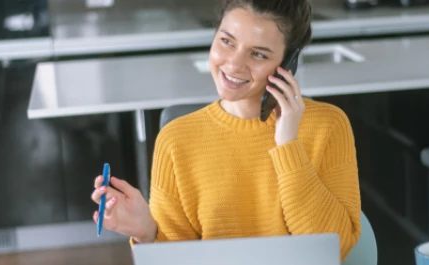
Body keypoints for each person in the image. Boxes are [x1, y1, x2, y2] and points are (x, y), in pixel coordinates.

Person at [90, 0, 362, 261]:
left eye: (258, 54)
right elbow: (175, 258)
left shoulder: (328, 126)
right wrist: (146, 232)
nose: (233, 64)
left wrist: (288, 146)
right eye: (227, 41)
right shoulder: (175, 140)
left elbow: (336, 249)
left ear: (288, 63)